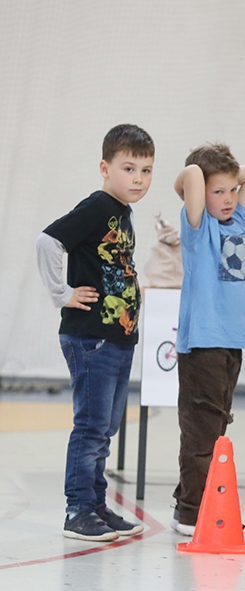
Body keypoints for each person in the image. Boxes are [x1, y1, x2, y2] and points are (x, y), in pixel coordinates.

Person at [36, 124, 155, 541]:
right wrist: (62, 294)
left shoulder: (122, 212)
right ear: (105, 168)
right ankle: (78, 510)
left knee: (105, 428)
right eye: (129, 168)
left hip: (118, 339)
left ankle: (96, 504)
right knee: (90, 426)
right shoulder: (97, 206)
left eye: (146, 170)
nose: (138, 179)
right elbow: (48, 242)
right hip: (92, 338)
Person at [169, 144, 245, 536]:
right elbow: (191, 174)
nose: (228, 199)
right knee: (201, 431)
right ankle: (191, 513)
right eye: (218, 191)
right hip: (204, 344)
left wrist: (225, 176)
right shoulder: (198, 228)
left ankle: (189, 501)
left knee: (215, 428)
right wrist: (199, 175)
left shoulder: (236, 221)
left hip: (231, 342)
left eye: (232, 190)